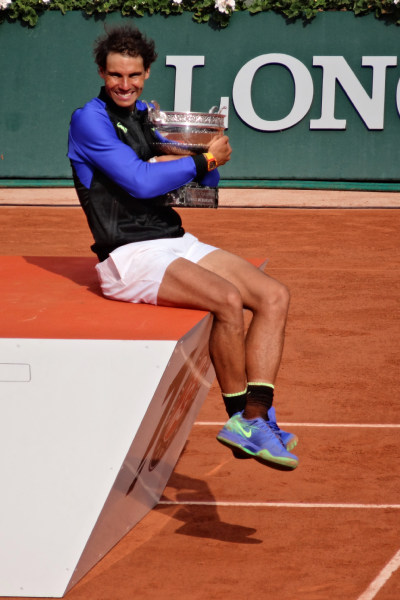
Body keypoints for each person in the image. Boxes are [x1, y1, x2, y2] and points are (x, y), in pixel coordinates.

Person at [68, 24, 299, 470]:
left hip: (174, 240)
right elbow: (138, 181)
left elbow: (203, 183)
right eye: (116, 75)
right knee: (227, 301)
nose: (125, 84)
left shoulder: (147, 115)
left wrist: (206, 154)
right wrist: (202, 158)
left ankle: (258, 416)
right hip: (129, 255)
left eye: (133, 75)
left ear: (147, 73)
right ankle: (239, 421)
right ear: (102, 73)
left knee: (274, 296)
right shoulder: (89, 120)